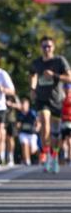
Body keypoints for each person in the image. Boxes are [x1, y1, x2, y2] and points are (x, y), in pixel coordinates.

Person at [29, 35, 71, 174]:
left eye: (49, 46)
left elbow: (69, 77)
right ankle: (46, 156)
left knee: (56, 135)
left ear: (53, 47)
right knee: (45, 124)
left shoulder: (59, 61)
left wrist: (54, 75)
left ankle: (54, 157)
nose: (47, 49)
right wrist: (33, 89)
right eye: (44, 46)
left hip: (57, 100)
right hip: (42, 100)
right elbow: (33, 75)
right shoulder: (37, 62)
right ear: (41, 48)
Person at [15, 97, 39, 166]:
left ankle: (41, 156)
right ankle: (27, 161)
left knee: (32, 150)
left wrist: (37, 127)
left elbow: (37, 121)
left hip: (32, 134)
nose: (23, 106)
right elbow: (18, 124)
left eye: (25, 104)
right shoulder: (19, 114)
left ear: (28, 105)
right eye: (22, 104)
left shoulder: (32, 112)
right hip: (23, 133)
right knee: (24, 144)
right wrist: (18, 127)